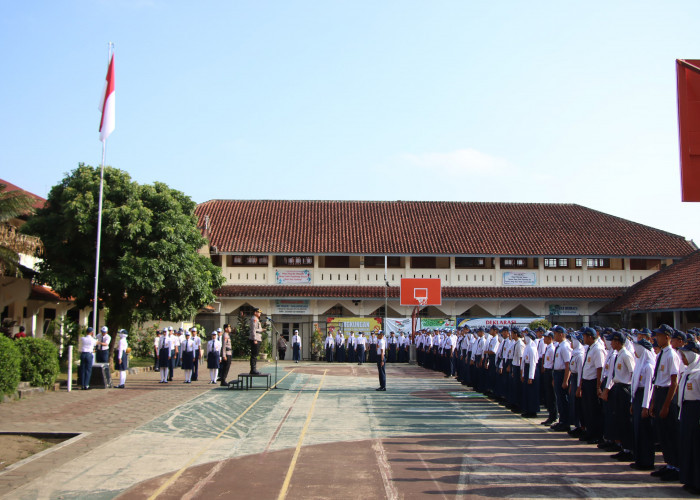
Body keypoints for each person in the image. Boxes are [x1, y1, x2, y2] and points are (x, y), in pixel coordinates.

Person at [649, 324, 681, 481]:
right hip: (660, 392)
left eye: (660, 336)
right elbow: (657, 381)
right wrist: (654, 402)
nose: (656, 338)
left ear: (667, 337)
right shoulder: (661, 354)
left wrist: (667, 405)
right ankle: (669, 463)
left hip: (668, 394)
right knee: (662, 432)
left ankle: (676, 466)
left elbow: (674, 381)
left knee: (670, 432)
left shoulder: (671, 355)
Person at [249, 309, 263, 375]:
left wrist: (262, 329)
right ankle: (253, 370)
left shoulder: (257, 319)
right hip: (256, 338)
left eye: (260, 312)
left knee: (255, 354)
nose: (260, 313)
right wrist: (254, 339)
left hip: (258, 337)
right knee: (254, 355)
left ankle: (254, 369)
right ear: (255, 312)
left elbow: (257, 329)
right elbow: (253, 329)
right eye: (258, 312)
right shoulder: (254, 319)